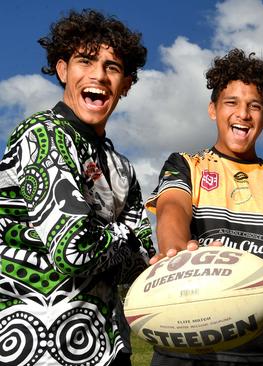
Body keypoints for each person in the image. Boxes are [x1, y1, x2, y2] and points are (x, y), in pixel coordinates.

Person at [0, 9, 153, 366]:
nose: (98, 75)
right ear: (63, 69)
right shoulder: (42, 135)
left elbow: (140, 267)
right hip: (32, 350)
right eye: (85, 61)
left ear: (126, 84)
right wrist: (124, 237)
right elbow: (73, 251)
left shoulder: (123, 168)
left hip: (109, 349)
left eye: (112, 67)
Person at [145, 48, 263, 366]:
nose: (243, 114)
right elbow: (172, 210)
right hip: (188, 348)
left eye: (255, 106)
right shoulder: (187, 164)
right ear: (213, 109)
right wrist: (177, 252)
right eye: (231, 102)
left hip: (260, 353)